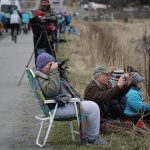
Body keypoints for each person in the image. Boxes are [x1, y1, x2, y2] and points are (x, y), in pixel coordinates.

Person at [33, 53, 108, 145]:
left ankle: (91, 137)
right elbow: (52, 91)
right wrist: (54, 72)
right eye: (50, 64)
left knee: (92, 106)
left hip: (60, 105)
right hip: (55, 108)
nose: (52, 66)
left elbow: (65, 85)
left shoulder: (45, 74)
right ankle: (92, 139)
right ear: (42, 66)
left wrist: (61, 71)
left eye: (53, 63)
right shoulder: (41, 77)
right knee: (93, 107)